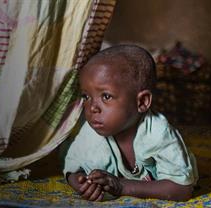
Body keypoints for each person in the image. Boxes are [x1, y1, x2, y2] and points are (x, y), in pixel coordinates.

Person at [63, 45, 198, 202]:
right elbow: (72, 169)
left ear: (142, 101)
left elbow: (181, 189)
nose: (92, 107)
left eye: (106, 96)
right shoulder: (92, 129)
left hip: (174, 171)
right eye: (86, 97)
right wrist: (83, 184)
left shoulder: (159, 133)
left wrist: (121, 186)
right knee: (65, 151)